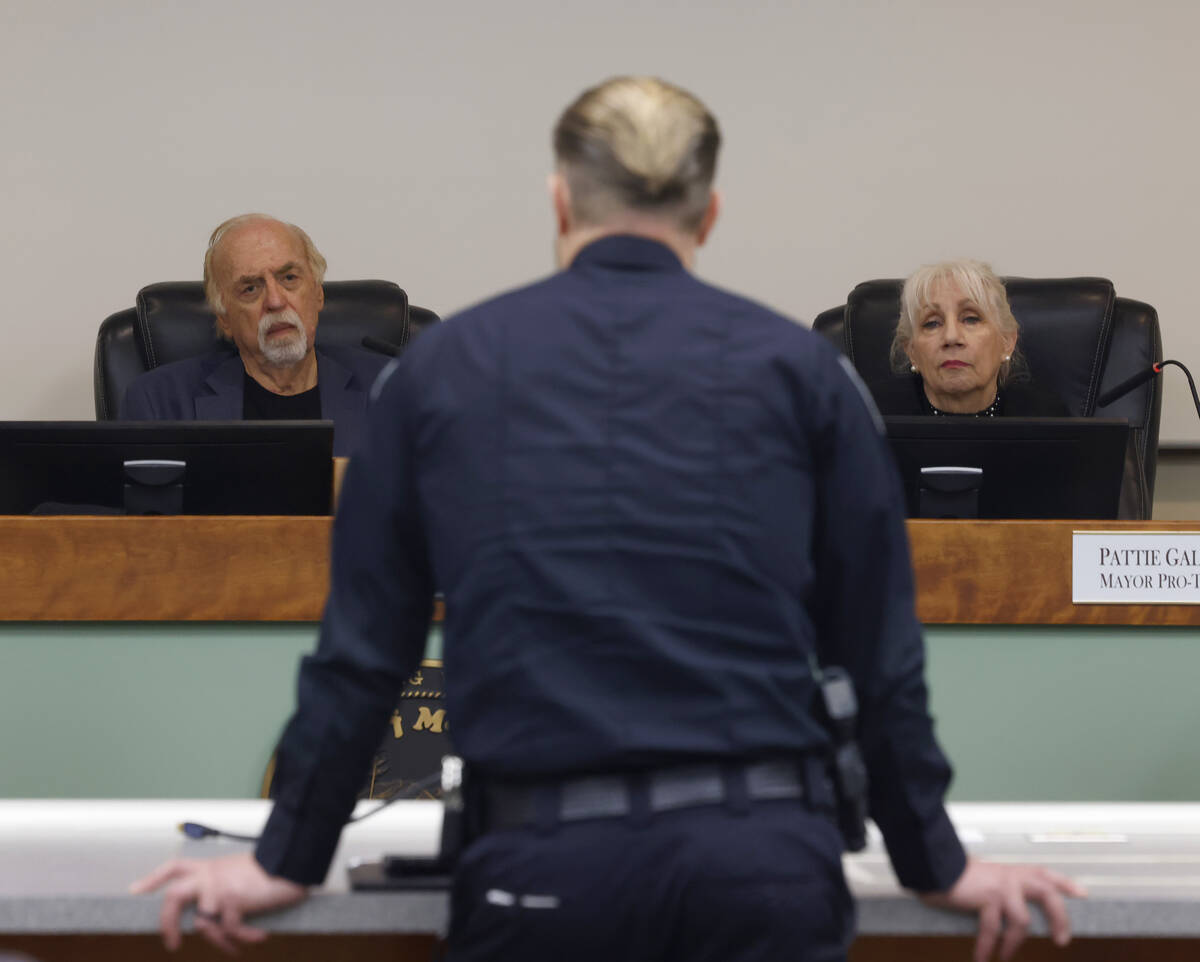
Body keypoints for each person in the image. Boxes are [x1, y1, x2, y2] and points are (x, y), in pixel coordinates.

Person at [131, 77, 1084, 961]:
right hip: (762, 875)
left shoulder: (442, 371)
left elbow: (364, 652)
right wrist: (937, 863)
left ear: (559, 202)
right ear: (708, 213)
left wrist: (285, 858)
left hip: (539, 875)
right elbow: (878, 650)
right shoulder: (804, 373)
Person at [120, 214, 389, 456]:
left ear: (318, 294)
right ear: (224, 316)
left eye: (289, 278)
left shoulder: (390, 389)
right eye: (250, 288)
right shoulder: (159, 403)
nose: (275, 301)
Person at [871, 259, 1069, 417]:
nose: (951, 337)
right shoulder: (874, 420)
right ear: (911, 351)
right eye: (932, 323)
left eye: (971, 319)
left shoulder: (1046, 420)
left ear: (1007, 342)